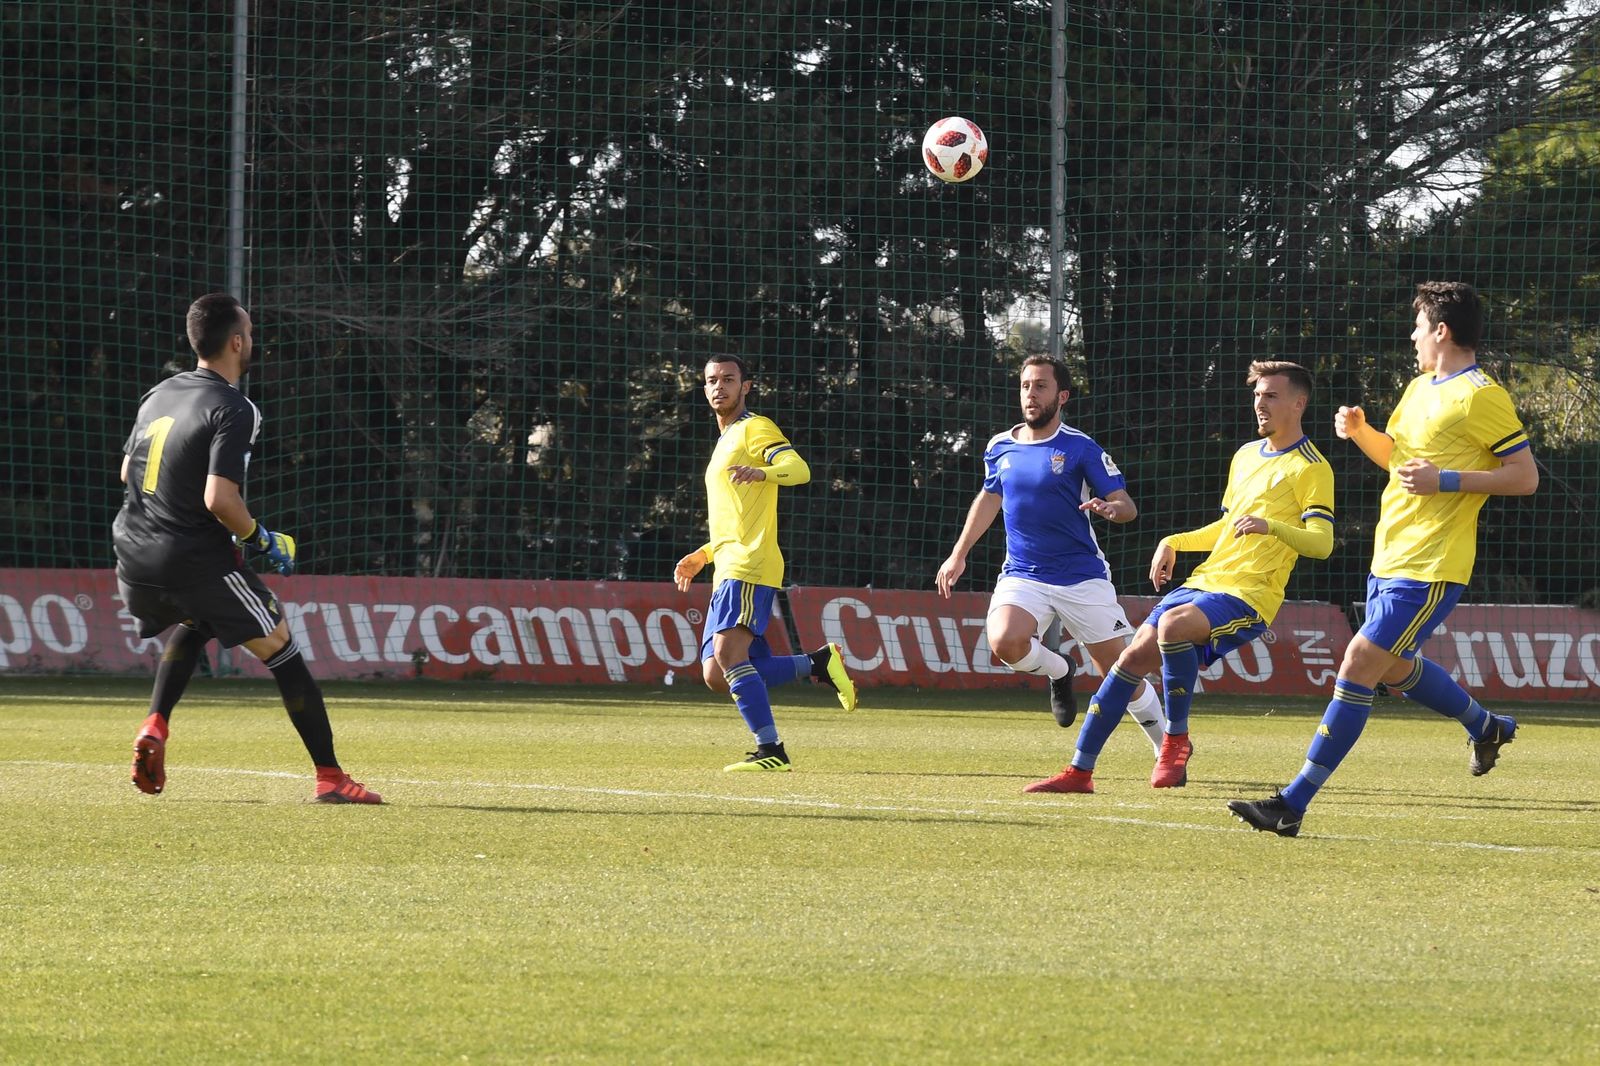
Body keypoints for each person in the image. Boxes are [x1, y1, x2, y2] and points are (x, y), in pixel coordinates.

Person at [1230, 282, 1537, 837]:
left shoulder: (1480, 395)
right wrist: (1361, 433)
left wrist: (1446, 479)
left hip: (1433, 565)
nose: (1412, 335)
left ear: (1441, 331)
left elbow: (1524, 476)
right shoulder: (1420, 388)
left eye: (1418, 326)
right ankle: (1487, 726)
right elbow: (1400, 462)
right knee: (1393, 669)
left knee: (1358, 665)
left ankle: (1291, 804)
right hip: (1390, 556)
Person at [113, 293, 381, 804]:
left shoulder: (161, 393)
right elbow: (220, 498)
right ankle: (331, 778)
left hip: (132, 552)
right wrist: (260, 537)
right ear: (237, 343)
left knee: (198, 620)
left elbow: (128, 472)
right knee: (283, 649)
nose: (252, 341)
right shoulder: (236, 407)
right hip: (191, 555)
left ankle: (155, 722)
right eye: (250, 334)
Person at [1025, 361, 1335, 793]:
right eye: (1258, 395)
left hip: (1251, 594)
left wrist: (1272, 527)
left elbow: (1322, 543)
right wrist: (1174, 541)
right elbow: (1226, 528)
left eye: (1271, 396)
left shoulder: (1312, 467)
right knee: (1129, 660)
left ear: (1298, 404)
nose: (1259, 404)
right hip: (1207, 582)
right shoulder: (1246, 455)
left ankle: (1176, 740)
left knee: (1172, 626)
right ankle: (1080, 771)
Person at [935, 355, 1168, 766]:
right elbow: (990, 498)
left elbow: (1126, 504)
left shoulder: (1080, 448)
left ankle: (1165, 745)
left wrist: (1112, 510)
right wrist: (959, 554)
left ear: (1061, 396)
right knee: (1005, 641)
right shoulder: (999, 446)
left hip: (1080, 578)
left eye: (1040, 386)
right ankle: (1060, 669)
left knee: (1120, 673)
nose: (1030, 394)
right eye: (1025, 385)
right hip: (1023, 574)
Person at [673, 355, 856, 772]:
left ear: (746, 387)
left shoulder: (755, 427)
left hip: (751, 564)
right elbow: (733, 521)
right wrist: (703, 554)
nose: (719, 387)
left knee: (728, 652)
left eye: (729, 379)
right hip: (726, 564)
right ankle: (818, 663)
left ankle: (771, 749)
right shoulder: (723, 442)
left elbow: (799, 469)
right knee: (716, 674)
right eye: (712, 381)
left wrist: (763, 472)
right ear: (704, 389)